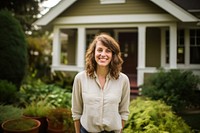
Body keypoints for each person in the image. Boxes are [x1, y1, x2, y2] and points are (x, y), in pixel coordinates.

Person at [72, 33, 130, 133]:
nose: (103, 54)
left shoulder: (123, 80)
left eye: (108, 51)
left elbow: (123, 112)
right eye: (99, 50)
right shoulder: (80, 78)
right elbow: (76, 112)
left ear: (113, 55)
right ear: (93, 53)